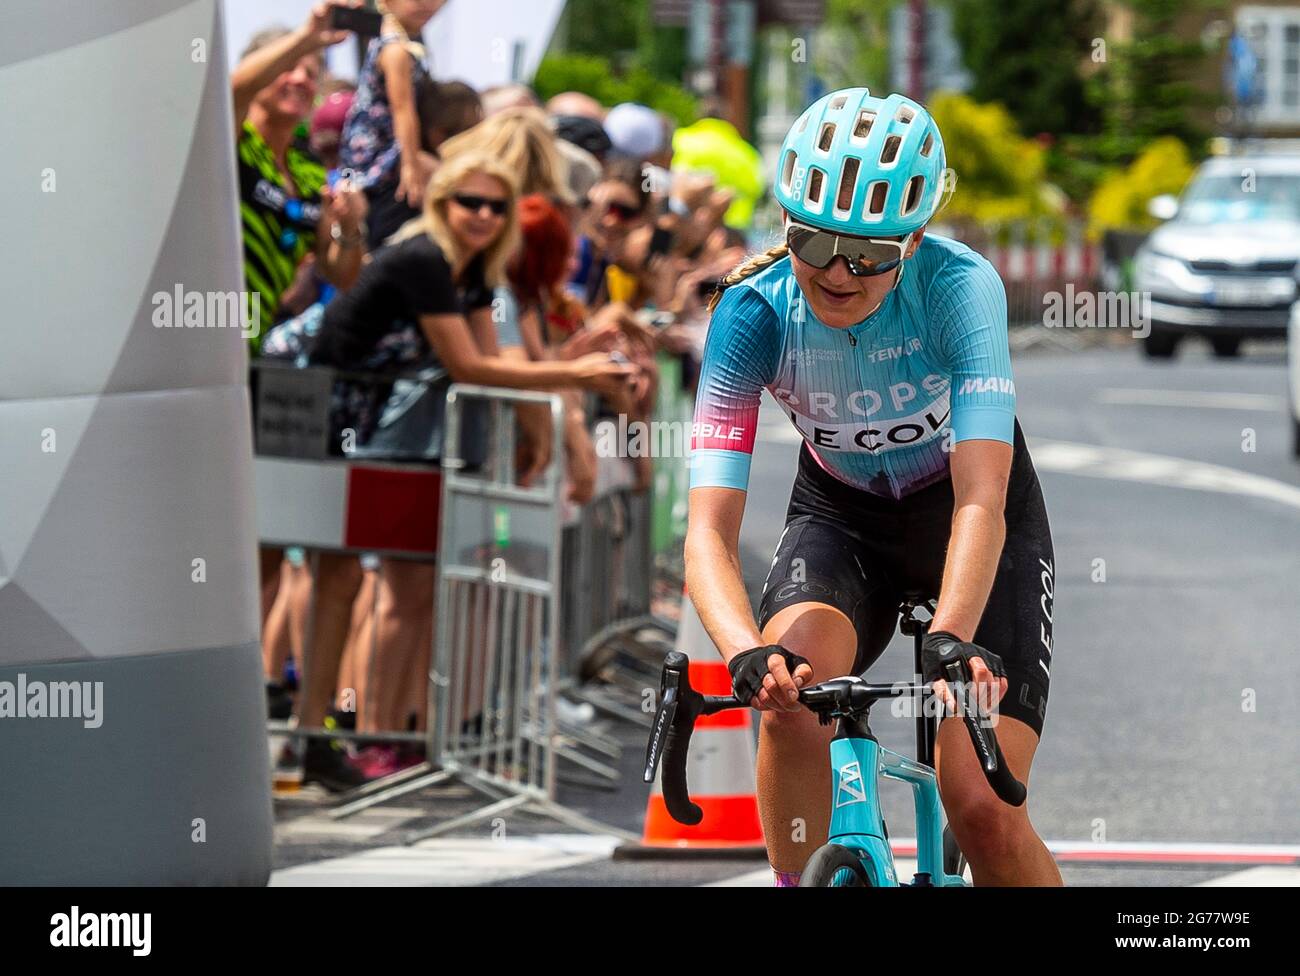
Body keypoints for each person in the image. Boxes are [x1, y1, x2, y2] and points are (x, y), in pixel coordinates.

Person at [685, 88, 1060, 887]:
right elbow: (707, 535)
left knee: (984, 811)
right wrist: (742, 653)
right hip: (842, 518)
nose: (837, 272)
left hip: (966, 524)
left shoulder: (960, 289)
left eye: (870, 255)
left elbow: (980, 500)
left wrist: (953, 637)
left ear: (914, 241)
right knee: (792, 697)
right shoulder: (751, 313)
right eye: (813, 242)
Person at [340, 0, 446, 249]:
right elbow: (402, 110)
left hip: (382, 163)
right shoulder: (395, 49)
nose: (427, 6)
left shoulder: (401, 43)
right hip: (381, 168)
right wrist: (411, 164)